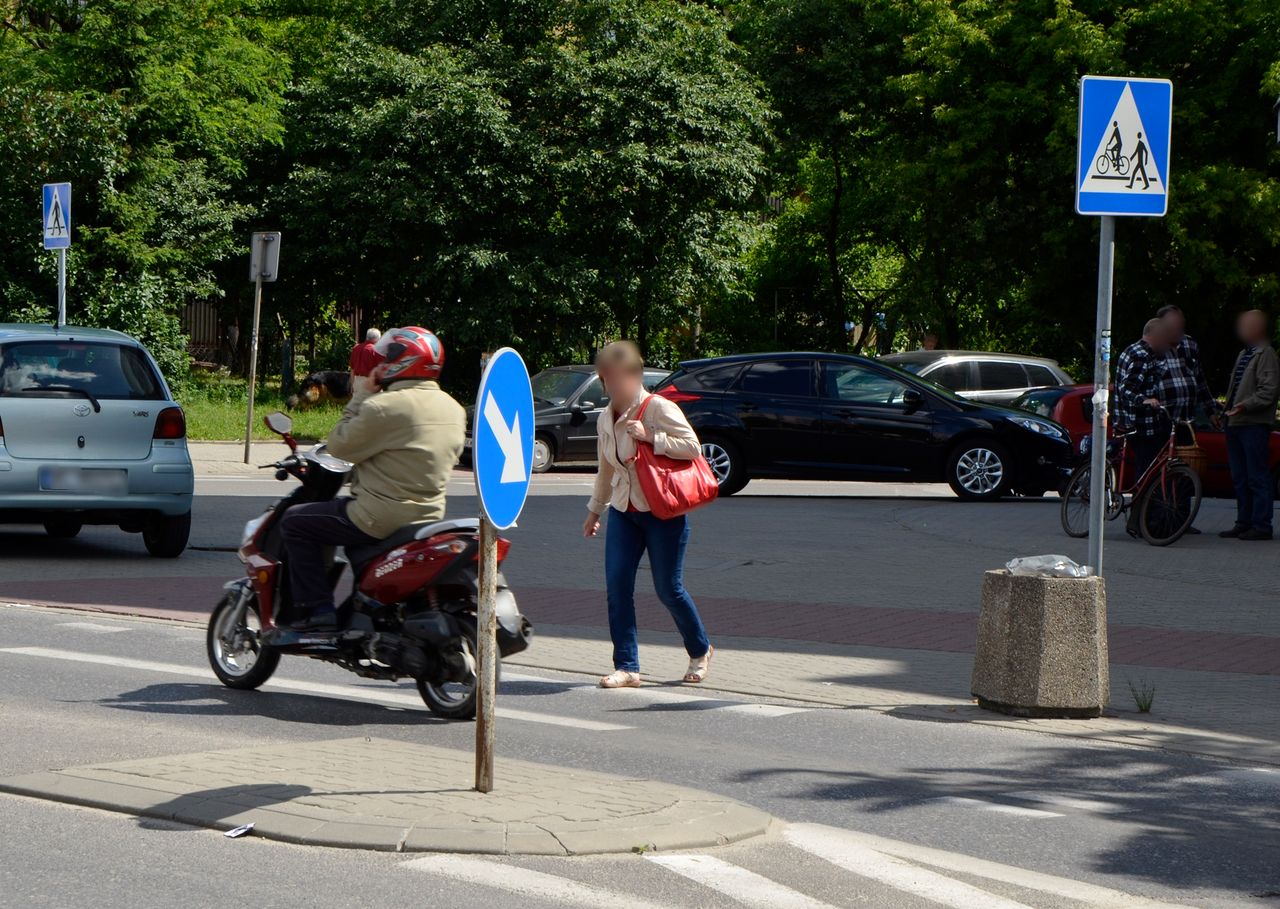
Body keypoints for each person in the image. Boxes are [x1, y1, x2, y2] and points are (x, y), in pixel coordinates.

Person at [281, 327, 465, 630]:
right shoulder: (454, 408)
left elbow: (339, 445)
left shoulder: (384, 406)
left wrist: (362, 395)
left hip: (377, 516)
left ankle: (316, 611)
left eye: (386, 357)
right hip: (429, 516)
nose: (380, 363)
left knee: (296, 522)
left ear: (402, 362)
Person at [582, 341, 713, 688]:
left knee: (668, 589)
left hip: (662, 511)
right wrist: (595, 511)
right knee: (617, 587)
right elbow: (605, 470)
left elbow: (693, 447)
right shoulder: (604, 417)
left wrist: (652, 437)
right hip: (625, 512)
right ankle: (627, 666)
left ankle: (700, 649)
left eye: (616, 378)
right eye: (606, 379)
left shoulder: (657, 408)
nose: (611, 385)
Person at [1220, 310, 1279, 541]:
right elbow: (1235, 387)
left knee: (1257, 476)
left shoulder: (1266, 354)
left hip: (1252, 423)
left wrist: (1244, 405)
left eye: (1248, 324)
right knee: (1240, 476)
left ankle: (1262, 525)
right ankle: (1243, 522)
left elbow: (1269, 390)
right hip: (1235, 422)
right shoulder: (1244, 353)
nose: (1243, 329)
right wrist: (1225, 412)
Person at [1115, 319, 1174, 534]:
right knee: (1146, 474)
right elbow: (1126, 389)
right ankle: (1138, 522)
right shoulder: (1142, 355)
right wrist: (1145, 400)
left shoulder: (1134, 350)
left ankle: (1140, 521)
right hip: (1141, 424)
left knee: (1146, 471)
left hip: (1136, 422)